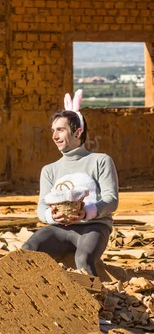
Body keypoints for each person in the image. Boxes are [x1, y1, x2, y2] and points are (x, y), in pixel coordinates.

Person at [22, 90, 118, 276]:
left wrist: (86, 212)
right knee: (27, 250)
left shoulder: (100, 161)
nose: (54, 136)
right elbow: (41, 207)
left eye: (60, 130)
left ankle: (96, 303)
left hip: (93, 227)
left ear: (77, 132)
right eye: (53, 131)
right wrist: (51, 216)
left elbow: (111, 199)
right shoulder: (49, 170)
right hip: (59, 229)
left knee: (83, 259)